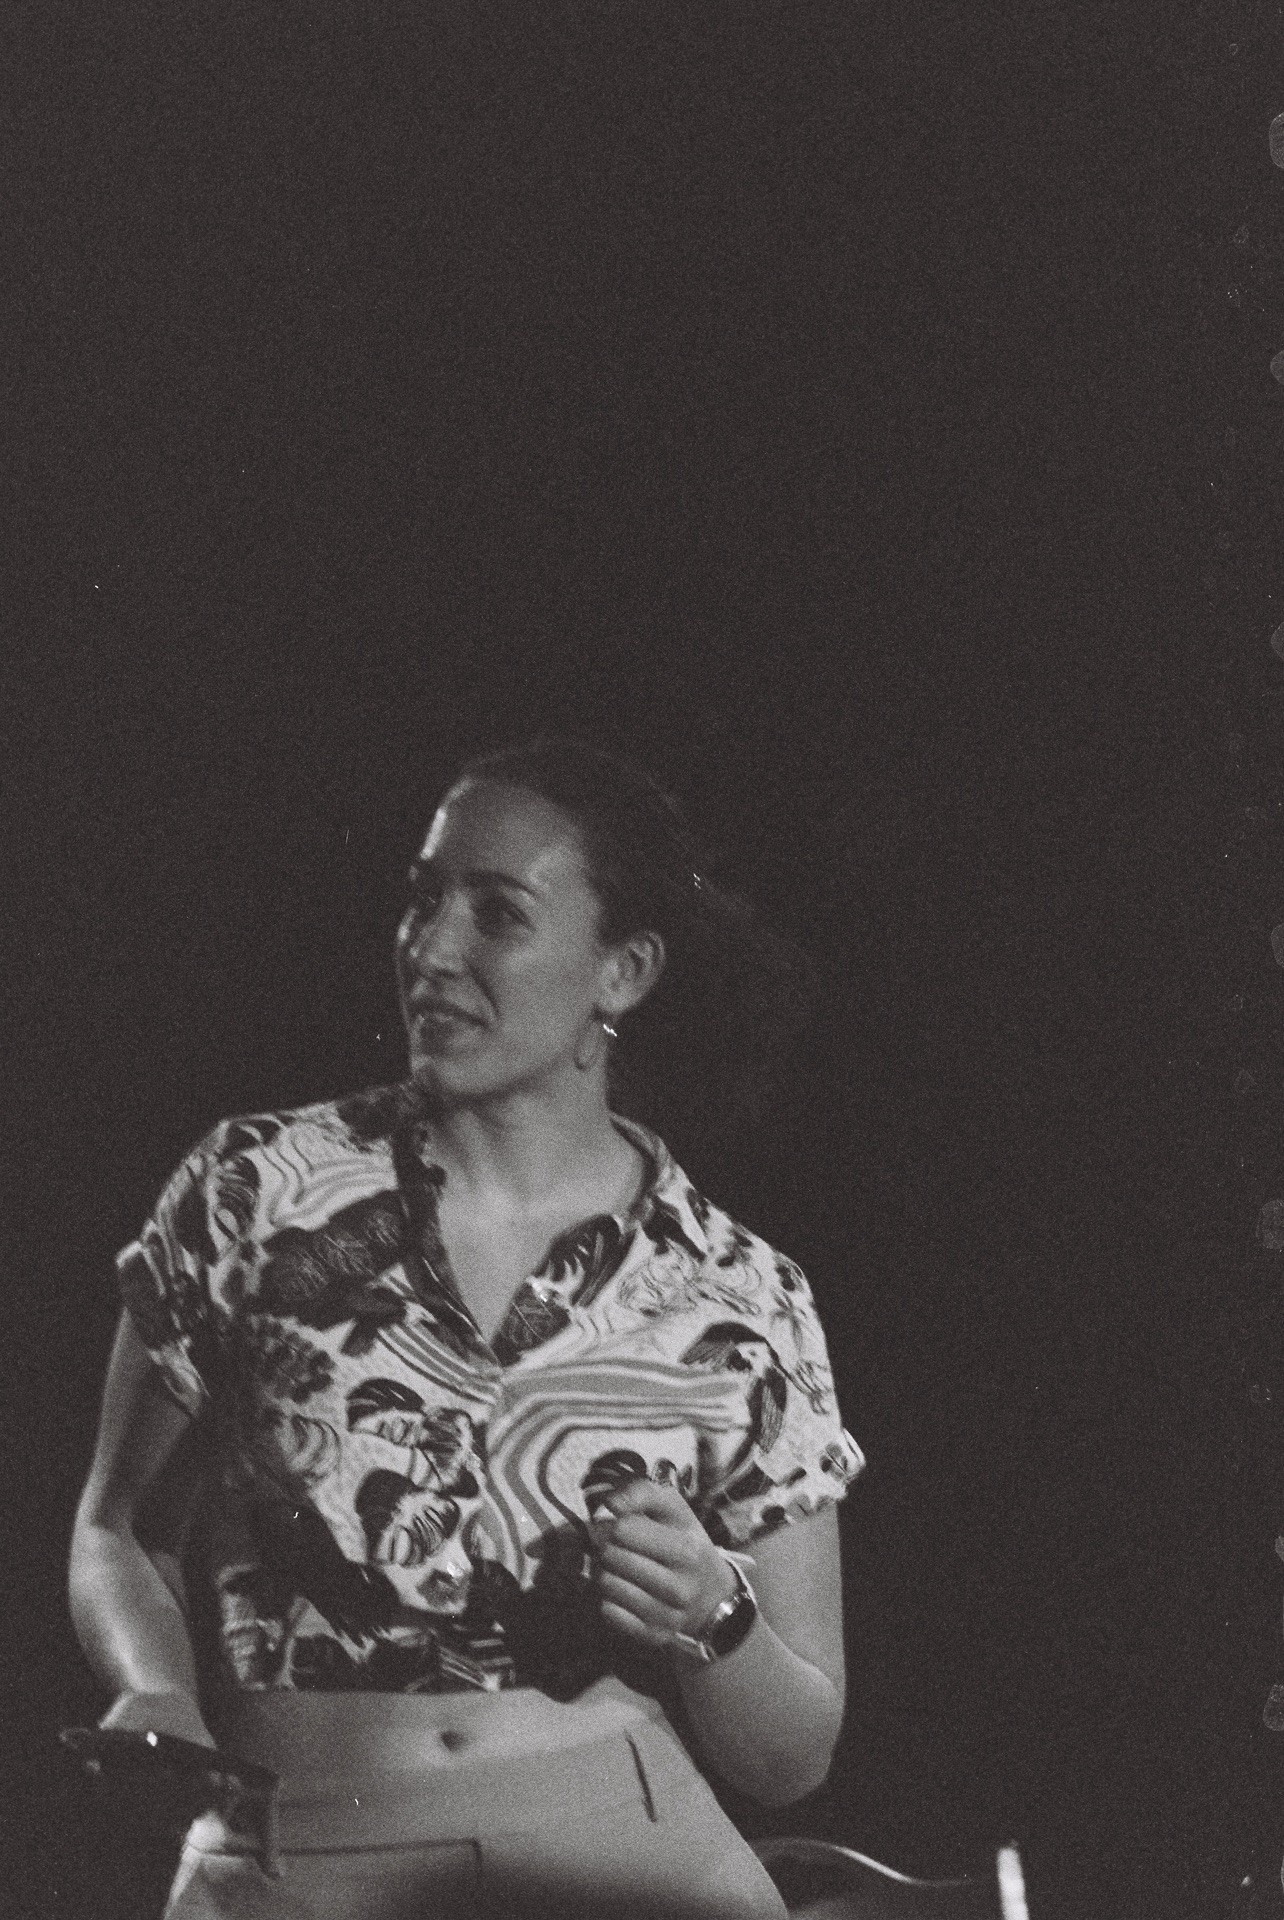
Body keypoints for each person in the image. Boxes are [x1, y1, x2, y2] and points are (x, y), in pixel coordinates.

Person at [68, 736, 865, 1920]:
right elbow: (119, 1530)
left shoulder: (739, 1292)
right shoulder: (257, 1189)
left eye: (497, 914)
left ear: (623, 974)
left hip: (621, 1858)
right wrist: (158, 1697)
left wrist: (715, 1612)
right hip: (298, 1857)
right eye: (422, 899)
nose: (432, 949)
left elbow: (792, 1758)